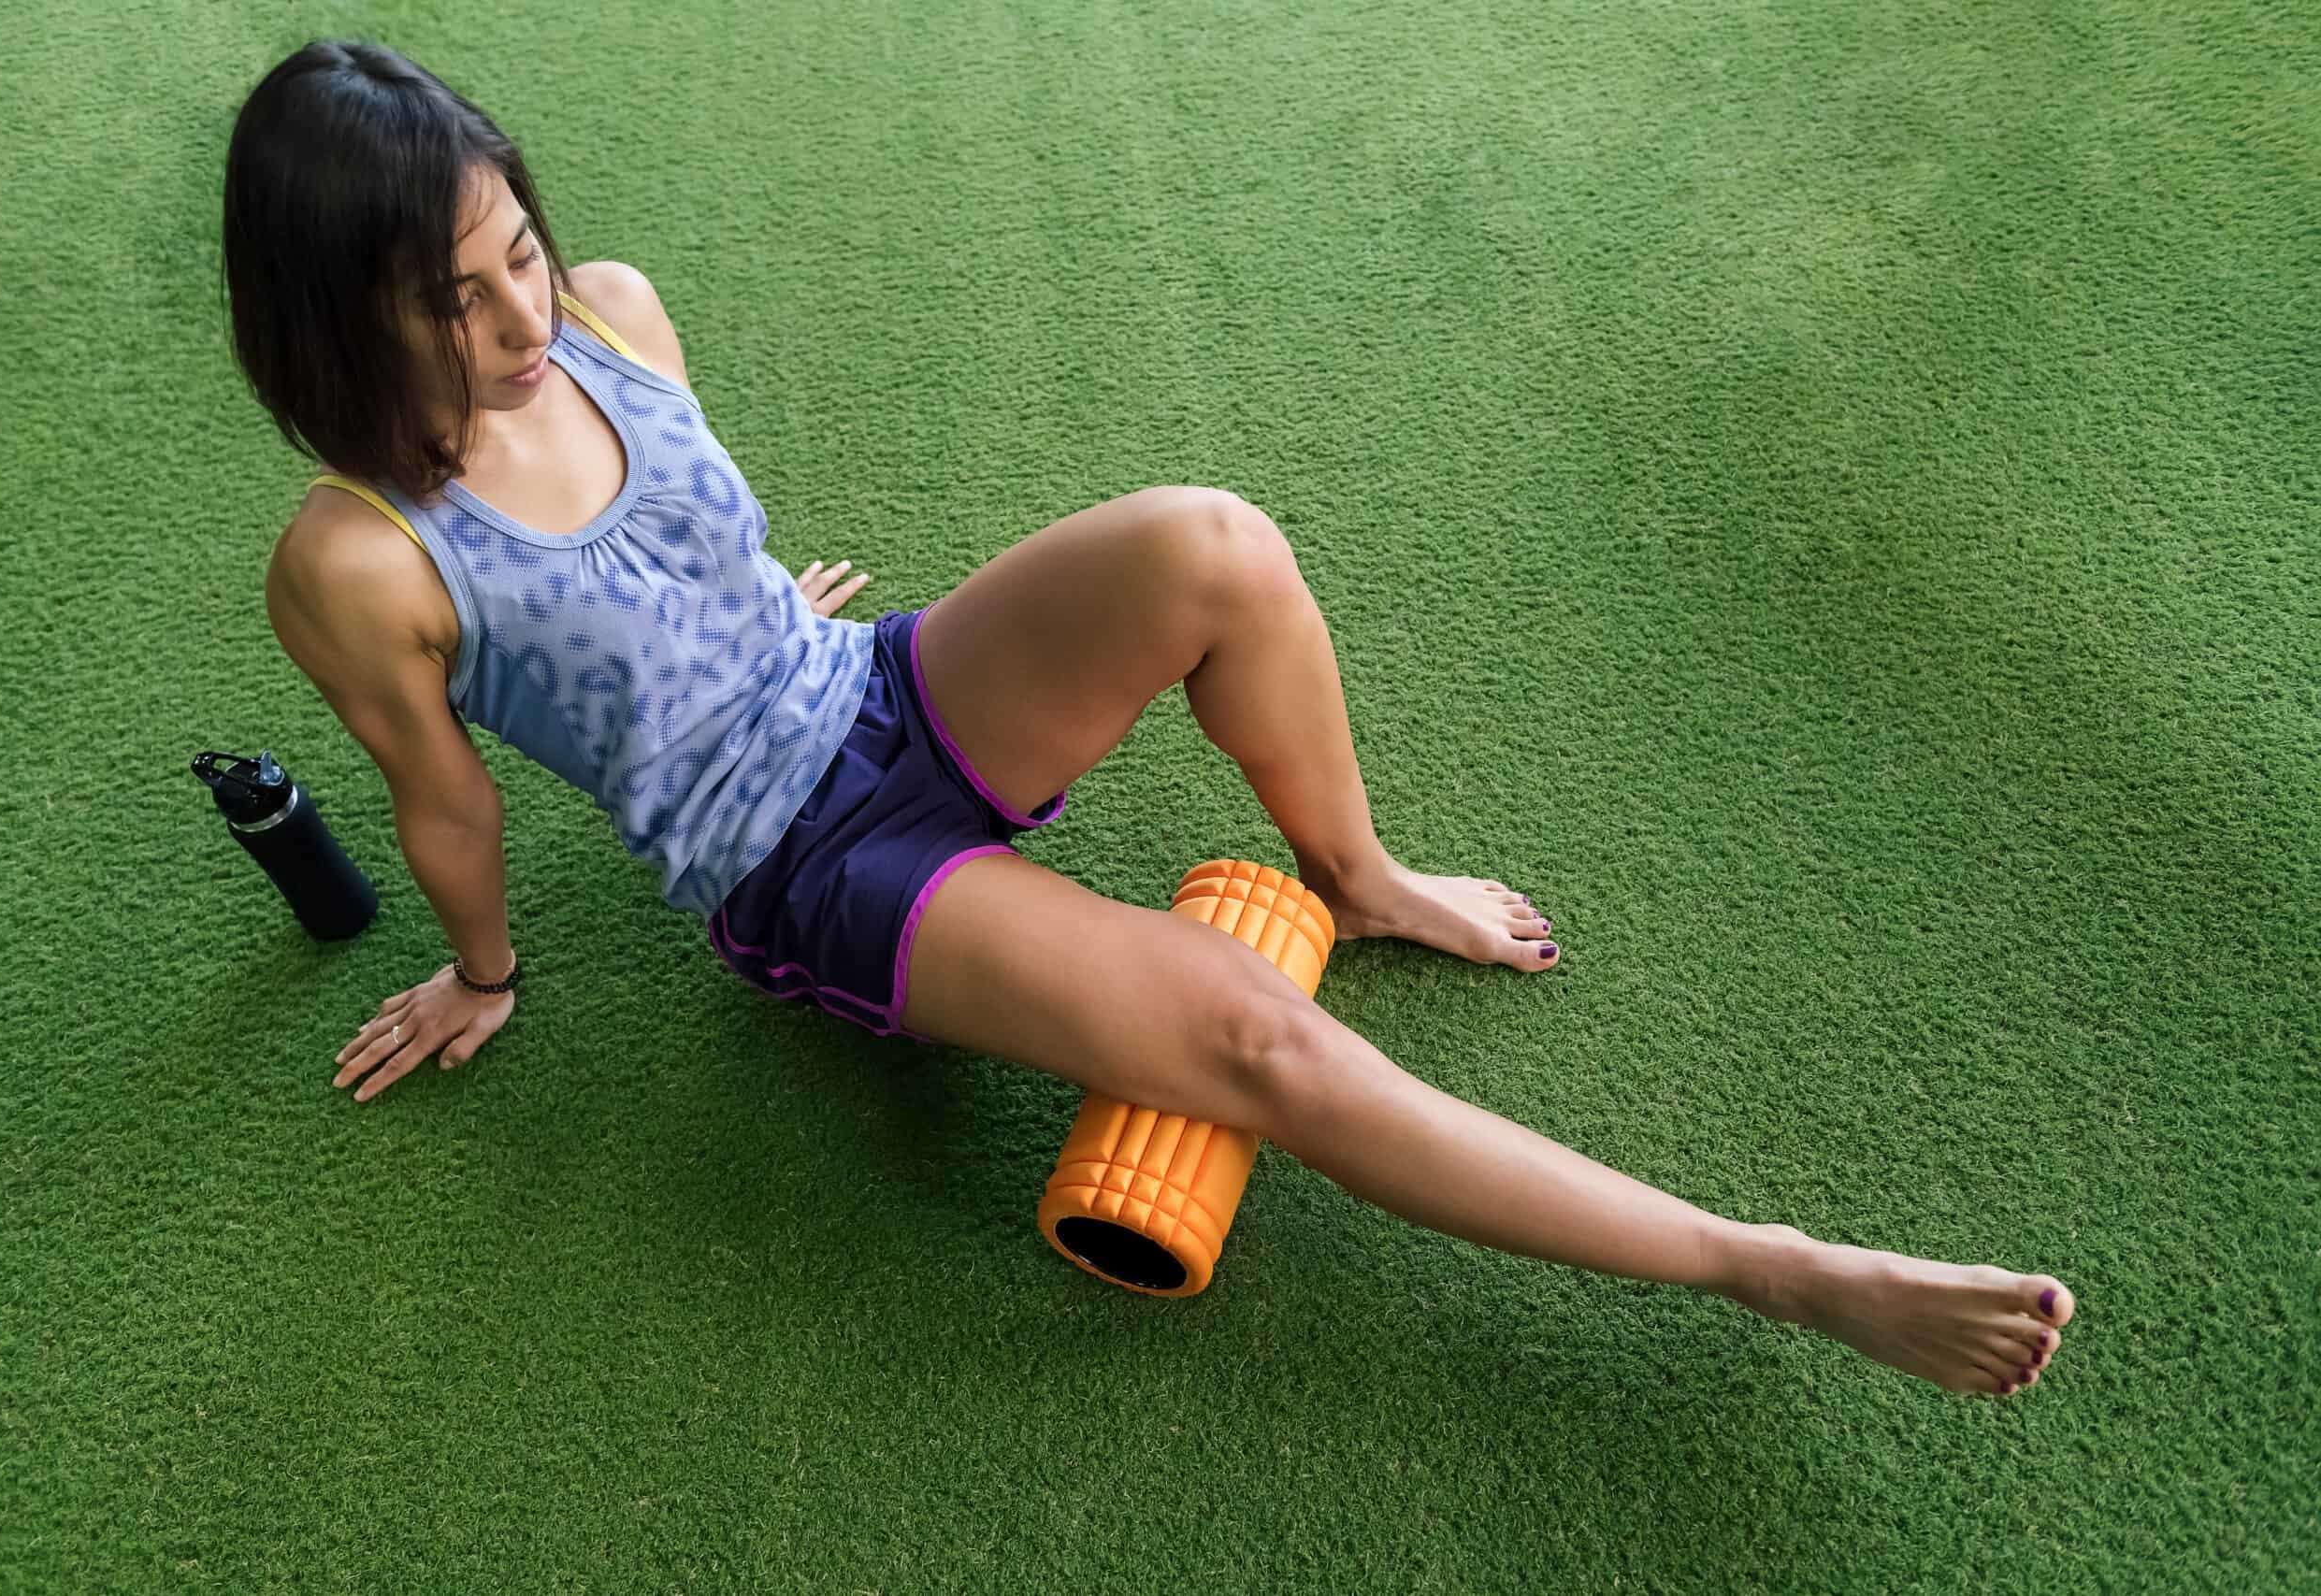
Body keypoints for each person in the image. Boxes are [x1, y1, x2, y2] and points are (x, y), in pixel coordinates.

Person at [222, 39, 2075, 1397]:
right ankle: (1773, 1271)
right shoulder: (357, 558)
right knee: (1249, 1042)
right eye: (444, 306)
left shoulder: (614, 308)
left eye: (515, 256)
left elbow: (676, 523)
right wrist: (483, 973)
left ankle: (1352, 868)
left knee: (1213, 544)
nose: (516, 317)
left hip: (868, 688)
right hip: (791, 865)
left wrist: (738, 616)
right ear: (329, 327)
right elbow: (442, 796)